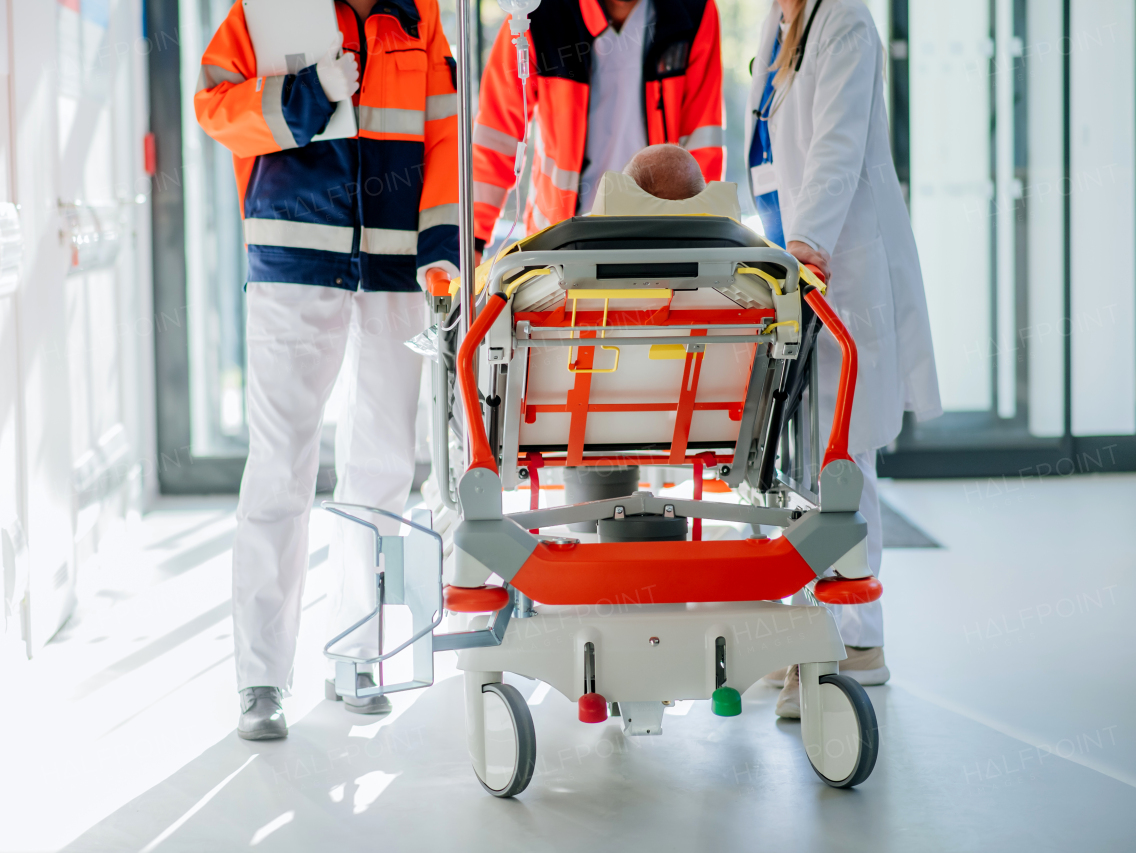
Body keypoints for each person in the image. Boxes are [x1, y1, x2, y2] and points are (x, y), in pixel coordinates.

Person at [194, 0, 460, 740]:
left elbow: (447, 133)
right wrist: (309, 93)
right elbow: (213, 106)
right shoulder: (271, 10)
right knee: (280, 467)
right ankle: (260, 677)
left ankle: (358, 654)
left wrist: (442, 243)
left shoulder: (424, 16)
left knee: (381, 468)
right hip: (290, 263)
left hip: (397, 271)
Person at [745, 0, 941, 717]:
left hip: (834, 269)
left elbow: (835, 147)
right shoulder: (780, 22)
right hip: (789, 271)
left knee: (843, 454)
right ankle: (810, 628)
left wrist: (808, 247)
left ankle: (856, 640)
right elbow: (765, 148)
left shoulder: (846, 23)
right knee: (800, 459)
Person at [472, 0, 725, 252]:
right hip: (559, 243)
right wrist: (473, 240)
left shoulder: (694, 11)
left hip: (661, 241)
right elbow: (496, 134)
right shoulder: (534, 13)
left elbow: (702, 141)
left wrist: (702, 238)